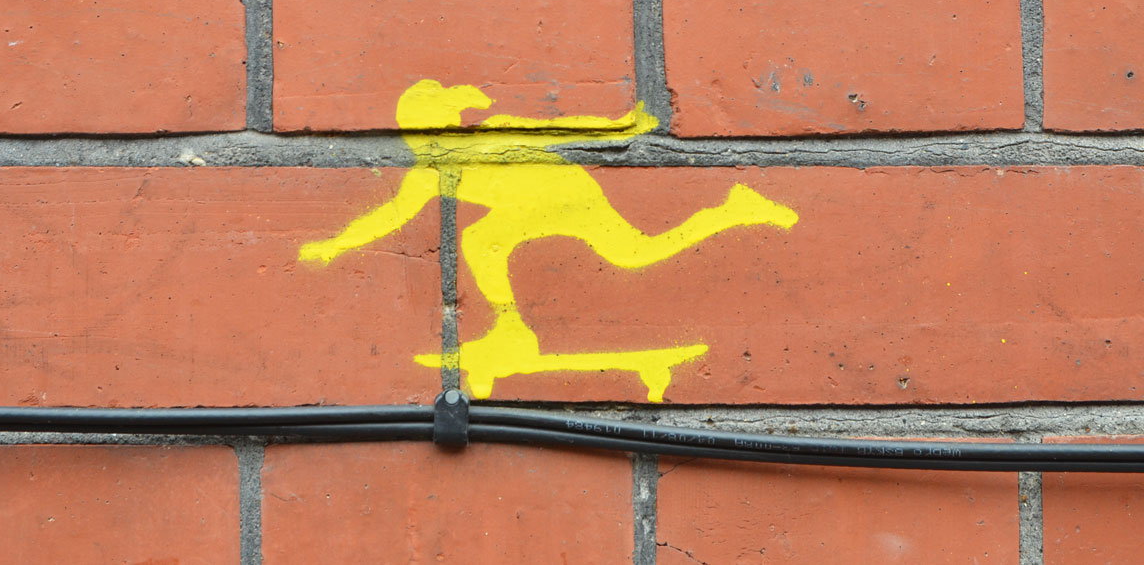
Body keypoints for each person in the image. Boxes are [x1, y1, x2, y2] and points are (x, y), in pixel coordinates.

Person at [300, 79, 799, 401]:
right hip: (532, 210)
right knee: (484, 239)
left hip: (570, 196)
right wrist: (336, 246)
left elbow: (556, 131)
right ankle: (512, 330)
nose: (421, 146)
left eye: (425, 134)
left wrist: (622, 126)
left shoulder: (490, 137)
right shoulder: (430, 173)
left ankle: (733, 210)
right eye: (415, 138)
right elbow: (388, 217)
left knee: (633, 253)